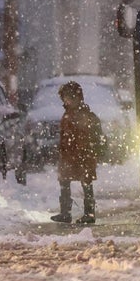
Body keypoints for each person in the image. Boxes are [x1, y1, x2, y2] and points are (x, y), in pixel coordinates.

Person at [51, 81, 102, 224]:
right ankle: (66, 212)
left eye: (69, 97)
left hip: (81, 155)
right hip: (70, 155)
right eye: (64, 97)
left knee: (86, 182)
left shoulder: (82, 114)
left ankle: (89, 213)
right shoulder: (68, 114)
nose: (66, 100)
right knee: (65, 182)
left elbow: (83, 137)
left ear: (77, 97)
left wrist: (81, 153)